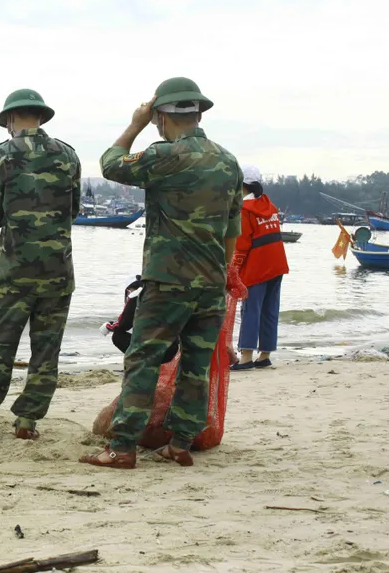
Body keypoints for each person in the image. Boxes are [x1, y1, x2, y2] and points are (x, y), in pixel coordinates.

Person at [81, 77, 245, 469]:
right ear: (199, 113)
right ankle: (181, 444)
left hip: (168, 280)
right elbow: (232, 228)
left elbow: (110, 164)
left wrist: (135, 124)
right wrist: (223, 273)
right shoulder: (228, 161)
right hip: (210, 282)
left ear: (161, 116)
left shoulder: (165, 155)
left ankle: (122, 448)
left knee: (144, 358)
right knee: (195, 364)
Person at [0, 89, 81, 442]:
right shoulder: (68, 156)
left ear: (9, 119)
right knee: (46, 350)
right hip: (58, 271)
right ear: (40, 116)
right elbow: (74, 210)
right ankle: (27, 423)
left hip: (13, 271)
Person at [231, 165, 289, 370]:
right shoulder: (269, 205)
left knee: (250, 310)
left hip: (257, 266)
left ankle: (245, 357)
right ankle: (265, 354)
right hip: (278, 264)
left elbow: (242, 244)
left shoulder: (244, 210)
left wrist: (233, 271)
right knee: (270, 309)